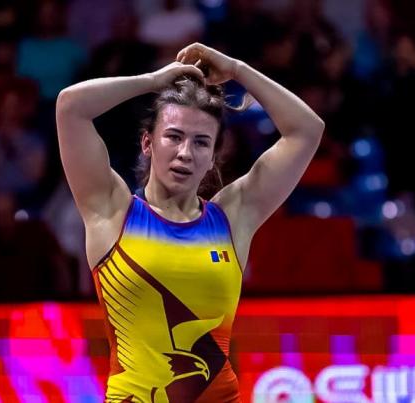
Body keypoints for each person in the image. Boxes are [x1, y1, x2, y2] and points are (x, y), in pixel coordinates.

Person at [56, 43, 323, 401]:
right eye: (174, 136)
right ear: (148, 143)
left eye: (201, 142)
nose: (185, 153)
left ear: (213, 157)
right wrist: (152, 81)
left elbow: (307, 129)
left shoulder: (233, 218)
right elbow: (70, 107)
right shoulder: (111, 210)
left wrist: (238, 70)